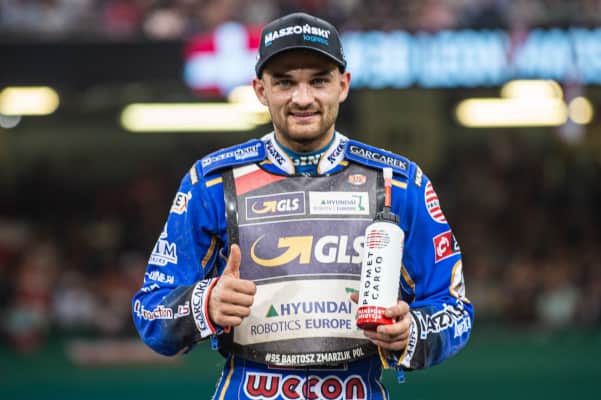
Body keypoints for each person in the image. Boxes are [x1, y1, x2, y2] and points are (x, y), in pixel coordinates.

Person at [132, 12, 473, 400]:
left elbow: (455, 309)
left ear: (343, 85)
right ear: (260, 90)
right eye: (285, 82)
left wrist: (412, 331)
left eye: (319, 81)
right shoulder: (210, 183)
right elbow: (150, 311)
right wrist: (205, 303)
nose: (303, 98)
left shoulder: (399, 182)